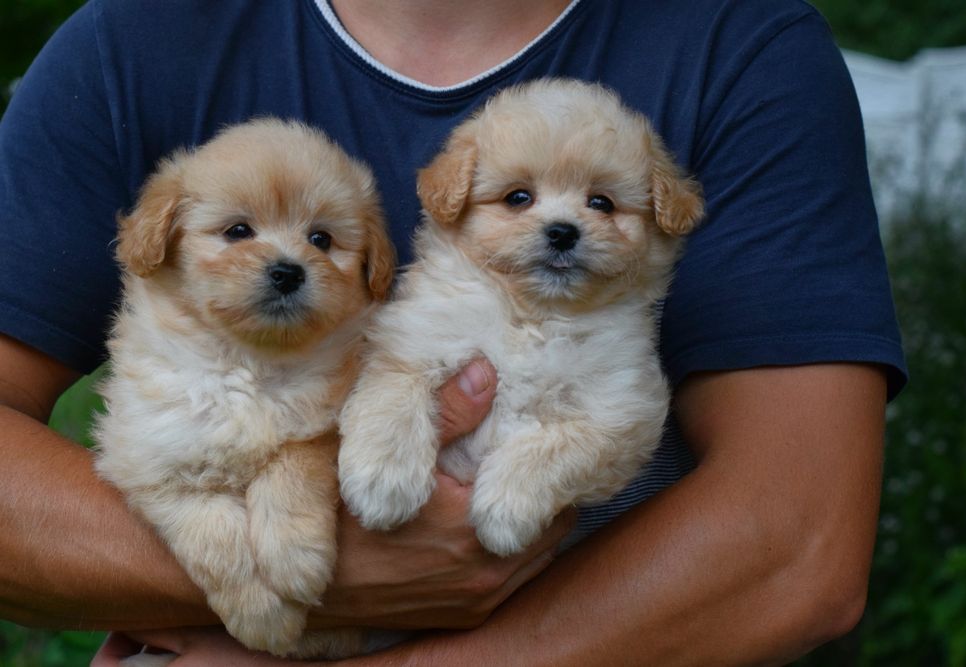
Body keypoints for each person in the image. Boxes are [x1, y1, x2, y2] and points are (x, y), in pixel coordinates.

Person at [0, 0, 907, 664]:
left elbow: (797, 550)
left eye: (599, 202)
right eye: (516, 198)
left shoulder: (739, 44)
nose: (559, 224)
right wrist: (277, 569)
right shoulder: (134, 42)